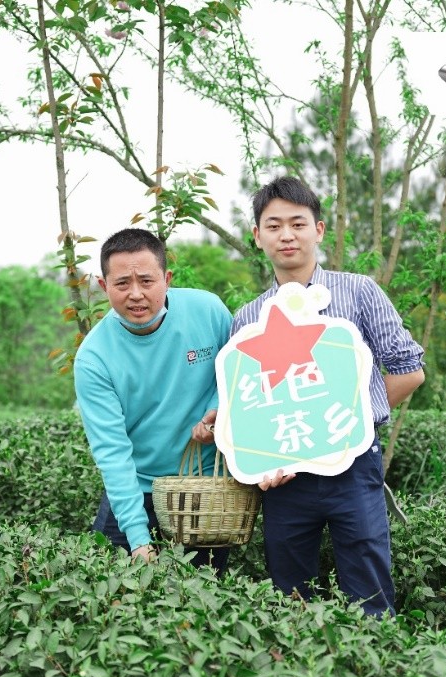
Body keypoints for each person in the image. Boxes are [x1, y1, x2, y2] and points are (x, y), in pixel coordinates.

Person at [231, 176, 425, 617]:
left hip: (353, 464)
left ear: (319, 230)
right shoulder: (247, 318)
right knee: (289, 598)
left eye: (297, 223)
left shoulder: (359, 291)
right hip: (286, 479)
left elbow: (408, 371)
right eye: (273, 225)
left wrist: (352, 419)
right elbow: (253, 402)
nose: (286, 235)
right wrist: (259, 457)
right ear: (257, 236)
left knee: (369, 593)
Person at [73, 228, 232, 569]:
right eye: (122, 284)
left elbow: (236, 373)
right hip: (137, 486)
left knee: (204, 598)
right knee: (109, 588)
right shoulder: (94, 358)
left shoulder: (209, 311)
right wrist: (138, 537)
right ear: (104, 287)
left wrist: (216, 410)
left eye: (146, 281)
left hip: (203, 487)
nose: (135, 295)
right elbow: (112, 453)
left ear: (166, 278)